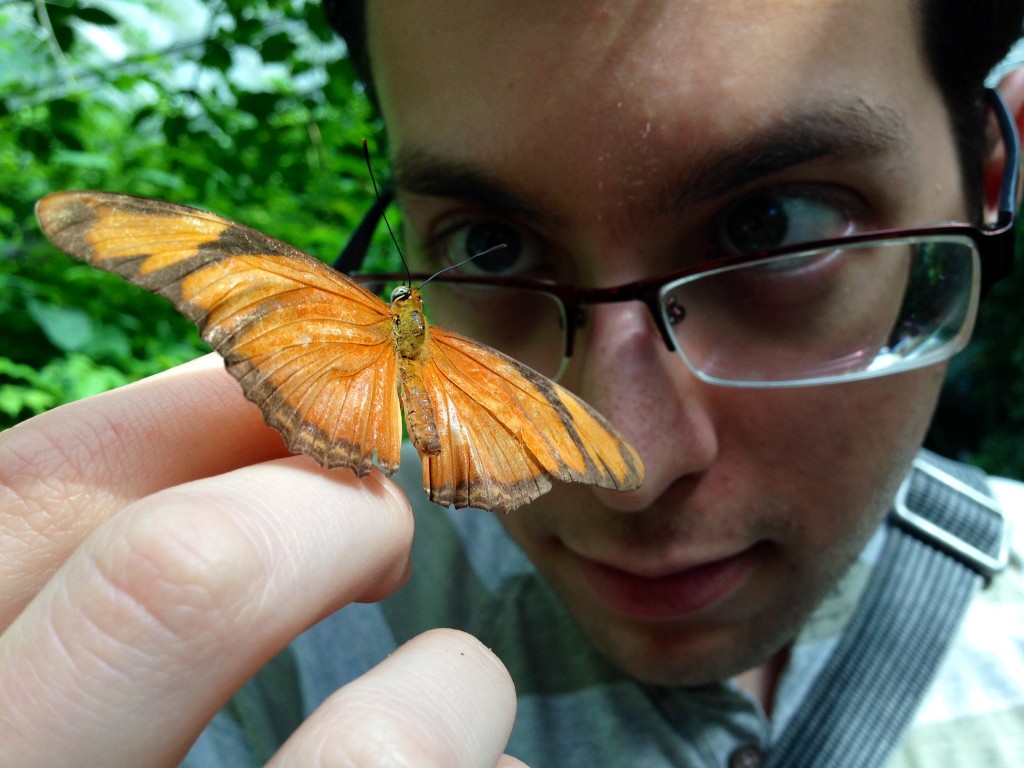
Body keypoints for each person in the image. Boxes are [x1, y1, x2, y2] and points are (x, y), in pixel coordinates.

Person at [3, 1, 1024, 765]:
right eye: (488, 247)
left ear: (991, 182)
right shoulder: (256, 648)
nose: (630, 470)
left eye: (776, 227)